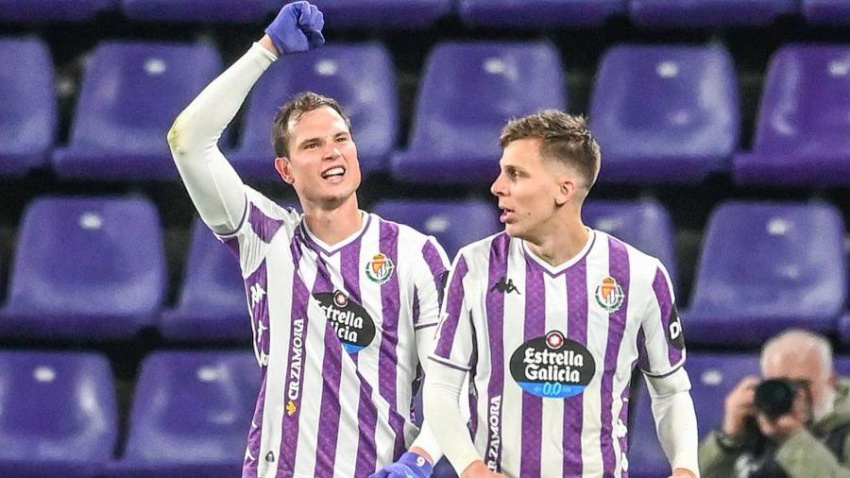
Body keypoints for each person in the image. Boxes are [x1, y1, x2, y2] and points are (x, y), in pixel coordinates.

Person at [167, 2, 448, 477]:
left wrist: (419, 462)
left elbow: (450, 382)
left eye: (341, 139)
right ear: (285, 169)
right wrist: (267, 49)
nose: (332, 152)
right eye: (312, 146)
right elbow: (188, 140)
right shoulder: (265, 236)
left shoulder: (416, 255)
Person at [423, 110, 699, 478]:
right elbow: (441, 386)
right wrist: (471, 468)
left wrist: (686, 467)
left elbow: (671, 392)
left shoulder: (640, 276)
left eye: (515, 174)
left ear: (563, 190)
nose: (497, 187)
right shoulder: (475, 266)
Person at [700, 329, 850, 478]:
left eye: (802, 384)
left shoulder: (845, 426)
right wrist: (727, 440)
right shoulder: (755, 418)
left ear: (830, 381)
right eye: (781, 385)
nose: (794, 395)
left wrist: (794, 440)